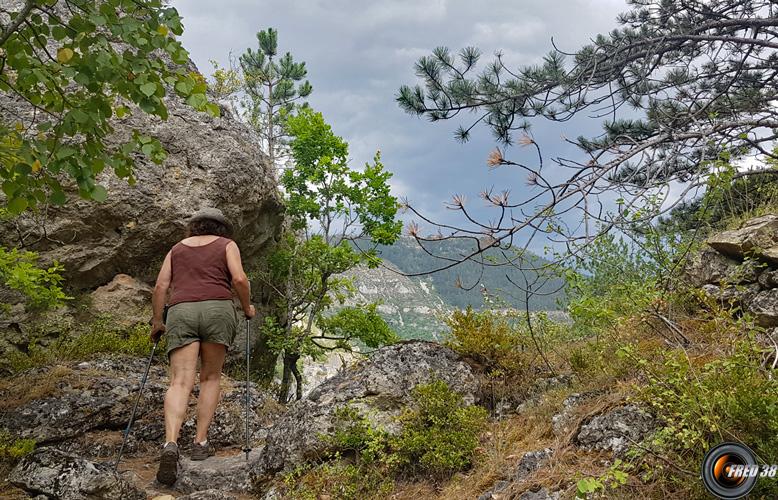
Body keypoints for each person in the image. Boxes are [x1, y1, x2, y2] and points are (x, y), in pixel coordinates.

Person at [149, 207, 256, 485]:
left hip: (181, 310)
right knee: (210, 378)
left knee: (180, 382)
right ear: (222, 228)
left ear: (193, 226)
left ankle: (170, 443)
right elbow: (240, 279)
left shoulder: (176, 249)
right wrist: (247, 307)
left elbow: (161, 286)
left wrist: (157, 321)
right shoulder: (227, 245)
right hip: (218, 310)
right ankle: (199, 443)